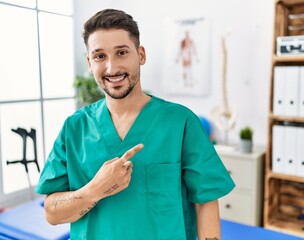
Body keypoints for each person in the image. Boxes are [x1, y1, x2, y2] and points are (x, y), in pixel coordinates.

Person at [35, 9, 235, 240]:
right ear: (90, 63)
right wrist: (96, 189)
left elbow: (205, 202)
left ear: (140, 55)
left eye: (121, 52)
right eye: (100, 56)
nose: (111, 68)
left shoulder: (180, 122)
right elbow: (52, 212)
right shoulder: (74, 128)